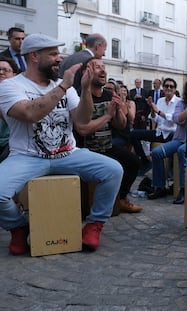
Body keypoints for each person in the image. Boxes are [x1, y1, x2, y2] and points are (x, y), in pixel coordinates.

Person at [0, 33, 123, 255]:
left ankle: (94, 225)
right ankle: (17, 227)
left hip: (67, 153)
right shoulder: (11, 86)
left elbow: (83, 121)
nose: (59, 59)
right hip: (27, 156)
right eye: (53, 54)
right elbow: (29, 113)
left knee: (113, 170)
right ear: (34, 56)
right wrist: (64, 86)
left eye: (59, 54)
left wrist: (84, 89)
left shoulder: (66, 87)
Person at [75, 58, 142, 213]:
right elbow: (82, 130)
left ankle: (121, 198)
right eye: (97, 67)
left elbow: (120, 125)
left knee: (133, 162)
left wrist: (117, 110)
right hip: (84, 150)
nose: (103, 70)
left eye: (103, 67)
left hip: (107, 147)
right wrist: (107, 115)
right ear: (86, 72)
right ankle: (88, 205)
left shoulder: (109, 94)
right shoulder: (78, 95)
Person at [147, 76, 187, 202]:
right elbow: (177, 119)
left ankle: (184, 189)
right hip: (180, 138)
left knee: (183, 150)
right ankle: (159, 187)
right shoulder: (182, 103)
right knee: (156, 153)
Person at [130, 78, 179, 178]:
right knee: (133, 134)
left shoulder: (179, 102)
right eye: (166, 86)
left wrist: (158, 112)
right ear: (163, 88)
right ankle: (145, 160)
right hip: (159, 132)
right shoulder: (160, 101)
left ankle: (167, 173)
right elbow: (155, 118)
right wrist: (152, 110)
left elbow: (175, 119)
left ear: (174, 89)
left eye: (171, 86)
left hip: (172, 134)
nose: (168, 88)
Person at [0, 56, 19, 163]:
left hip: (11, 143)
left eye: (6, 70)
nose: (1, 72)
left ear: (14, 75)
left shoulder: (21, 95)